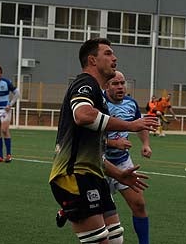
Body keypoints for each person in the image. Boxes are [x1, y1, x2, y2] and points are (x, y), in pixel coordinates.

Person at [49, 38, 158, 244]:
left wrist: (119, 175)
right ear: (92, 60)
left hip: (94, 175)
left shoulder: (97, 93)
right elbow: (82, 115)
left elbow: (94, 151)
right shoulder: (85, 83)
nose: (114, 58)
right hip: (74, 177)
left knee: (115, 238)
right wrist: (130, 125)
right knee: (100, 241)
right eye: (107, 53)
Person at [104, 71, 152, 244]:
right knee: (99, 214)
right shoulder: (98, 104)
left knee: (139, 204)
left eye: (123, 83)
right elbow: (88, 137)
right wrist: (113, 143)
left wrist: (145, 144)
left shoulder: (131, 103)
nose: (120, 87)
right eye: (115, 84)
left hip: (123, 162)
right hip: (100, 163)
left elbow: (140, 125)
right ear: (106, 86)